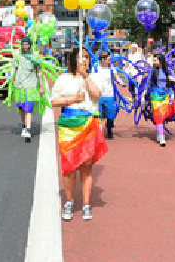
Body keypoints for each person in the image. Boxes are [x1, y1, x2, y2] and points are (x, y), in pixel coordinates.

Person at [52, 46, 107, 222]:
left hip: (88, 125)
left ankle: (85, 204)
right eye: (80, 57)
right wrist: (72, 100)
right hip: (68, 126)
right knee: (68, 168)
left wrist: (86, 76)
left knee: (86, 167)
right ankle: (69, 201)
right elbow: (54, 101)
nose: (83, 60)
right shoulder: (63, 79)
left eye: (86, 57)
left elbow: (97, 94)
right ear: (73, 59)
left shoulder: (94, 77)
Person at [9, 36, 45, 142]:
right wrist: (12, 77)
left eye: (27, 44)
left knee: (28, 109)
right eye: (23, 44)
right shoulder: (18, 56)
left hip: (31, 86)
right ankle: (25, 126)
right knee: (22, 109)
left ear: (30, 45)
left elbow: (39, 72)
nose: (25, 46)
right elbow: (14, 68)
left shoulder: (35, 56)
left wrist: (41, 86)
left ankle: (28, 130)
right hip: (19, 86)